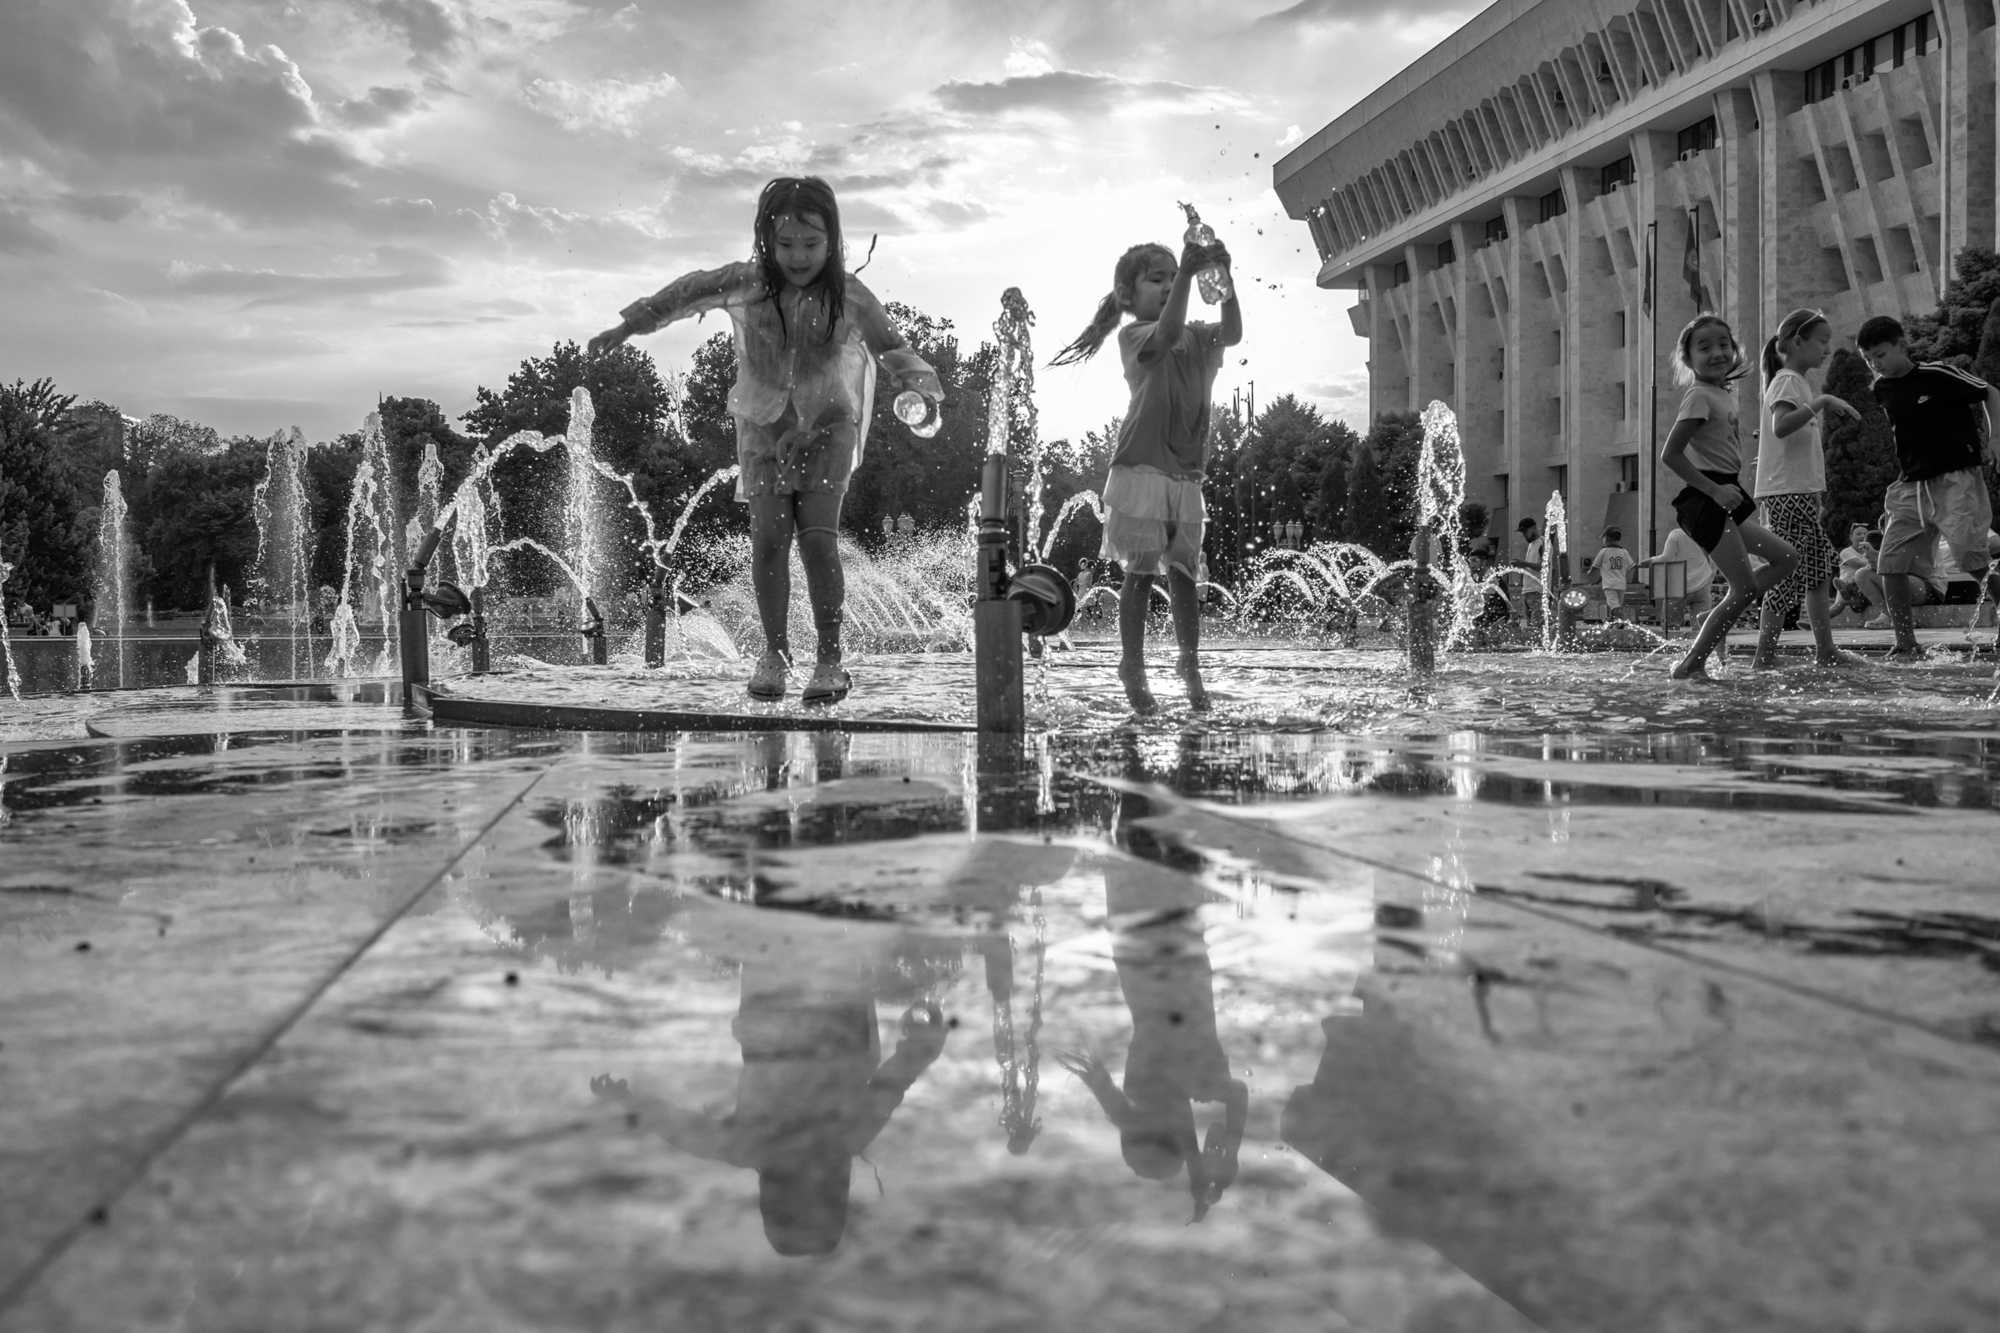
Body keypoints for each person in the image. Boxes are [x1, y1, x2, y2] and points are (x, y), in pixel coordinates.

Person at [588, 176, 943, 705]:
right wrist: (628, 327)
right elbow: (685, 293)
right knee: (770, 539)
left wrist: (921, 391)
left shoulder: (849, 296)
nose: (798, 256)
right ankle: (774, 654)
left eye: (811, 243)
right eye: (786, 244)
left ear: (832, 240)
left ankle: (829, 659)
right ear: (766, 240)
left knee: (818, 539)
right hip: (763, 430)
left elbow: (894, 347)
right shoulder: (746, 283)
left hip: (829, 428)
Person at [1050, 230, 1243, 712]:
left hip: (1186, 473)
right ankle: (1132, 664)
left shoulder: (1197, 334)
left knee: (1183, 574)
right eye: (1157, 279)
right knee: (1139, 573)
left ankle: (1189, 661)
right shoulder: (1134, 335)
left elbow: (1233, 333)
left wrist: (1225, 278)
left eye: (1173, 277)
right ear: (1127, 296)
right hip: (1141, 467)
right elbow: (1167, 335)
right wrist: (1188, 274)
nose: (1169, 285)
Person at [1658, 314, 1799, 679]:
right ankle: (1690, 665)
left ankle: (1716, 614)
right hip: (1706, 500)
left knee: (1786, 558)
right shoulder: (1698, 397)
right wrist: (1715, 489)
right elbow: (1670, 455)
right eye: (1704, 347)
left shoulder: (1722, 394)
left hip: (1724, 496)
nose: (1717, 353)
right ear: (1687, 358)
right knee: (1744, 588)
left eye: (1724, 344)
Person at [1855, 314, 2000, 658]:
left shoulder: (1938, 374)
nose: (1876, 364)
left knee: (1971, 559)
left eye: (1881, 355)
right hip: (1910, 487)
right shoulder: (1881, 389)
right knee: (1890, 563)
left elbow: (1991, 392)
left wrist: (1995, 439)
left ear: (1902, 345)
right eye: (1869, 359)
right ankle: (1905, 643)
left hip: (1956, 481)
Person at [1750, 309, 1863, 667]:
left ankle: (1824, 650)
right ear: (1798, 342)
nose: (1827, 349)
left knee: (1817, 572)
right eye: (1822, 341)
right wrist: (1823, 402)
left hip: (1796, 494)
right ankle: (1764, 655)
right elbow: (1782, 426)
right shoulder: (1787, 380)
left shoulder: (1793, 381)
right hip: (1788, 496)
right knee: (1789, 572)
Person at [1637, 526, 1722, 640]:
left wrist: (1649, 562)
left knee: (1671, 628)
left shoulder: (1676, 534)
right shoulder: (1705, 533)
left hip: (1677, 583)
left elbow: (1666, 558)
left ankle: (1672, 647)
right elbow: (1714, 558)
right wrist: (1710, 577)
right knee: (1701, 628)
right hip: (1702, 584)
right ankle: (1697, 649)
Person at [1585, 527, 1634, 622]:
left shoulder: (1604, 552)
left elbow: (1595, 567)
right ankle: (1615, 622)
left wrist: (1589, 573)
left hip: (1609, 585)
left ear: (1607, 538)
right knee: (1617, 604)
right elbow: (1631, 566)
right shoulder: (1624, 552)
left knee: (1614, 605)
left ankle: (1622, 621)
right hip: (1621, 584)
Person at [1831, 522, 1878, 617]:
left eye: (1865, 534)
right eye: (1858, 534)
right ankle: (1815, 621)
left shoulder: (1871, 552)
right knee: (1837, 607)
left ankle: (1850, 593)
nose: (1862, 536)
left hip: (1863, 587)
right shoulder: (1846, 552)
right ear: (1851, 537)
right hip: (1849, 583)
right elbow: (1858, 564)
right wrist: (1873, 562)